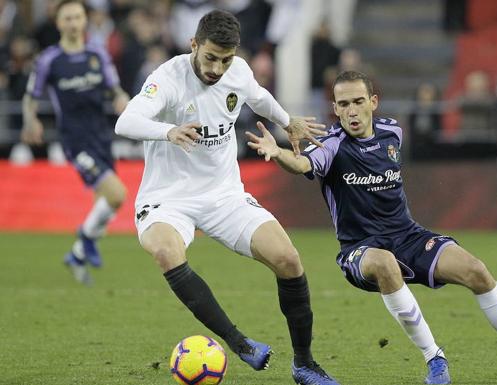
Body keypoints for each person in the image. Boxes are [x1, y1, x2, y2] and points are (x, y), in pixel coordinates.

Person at [246, 70, 497, 384]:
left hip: (408, 236)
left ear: (373, 101)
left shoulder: (392, 132)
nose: (351, 110)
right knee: (385, 264)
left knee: (477, 270)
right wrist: (278, 154)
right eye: (343, 104)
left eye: (358, 101)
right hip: (361, 248)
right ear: (334, 108)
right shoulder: (330, 145)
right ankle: (435, 359)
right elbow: (302, 164)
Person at [114, 9, 339, 385]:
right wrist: (168, 131)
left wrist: (288, 121)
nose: (217, 69)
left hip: (223, 195)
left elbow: (258, 96)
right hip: (168, 197)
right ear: (193, 45)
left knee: (288, 259)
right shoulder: (168, 78)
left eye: (226, 60)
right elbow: (125, 121)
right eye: (210, 58)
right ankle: (240, 342)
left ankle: (304, 364)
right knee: (166, 252)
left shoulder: (237, 71)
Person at [21, 0, 129, 285]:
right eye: (67, 18)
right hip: (75, 140)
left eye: (77, 17)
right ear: (58, 23)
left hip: (101, 136)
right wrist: (30, 121)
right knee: (117, 194)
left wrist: (122, 101)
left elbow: (114, 89)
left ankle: (78, 256)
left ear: (85, 20)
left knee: (104, 209)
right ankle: (83, 238)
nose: (73, 23)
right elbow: (31, 95)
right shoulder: (50, 59)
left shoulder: (97, 54)